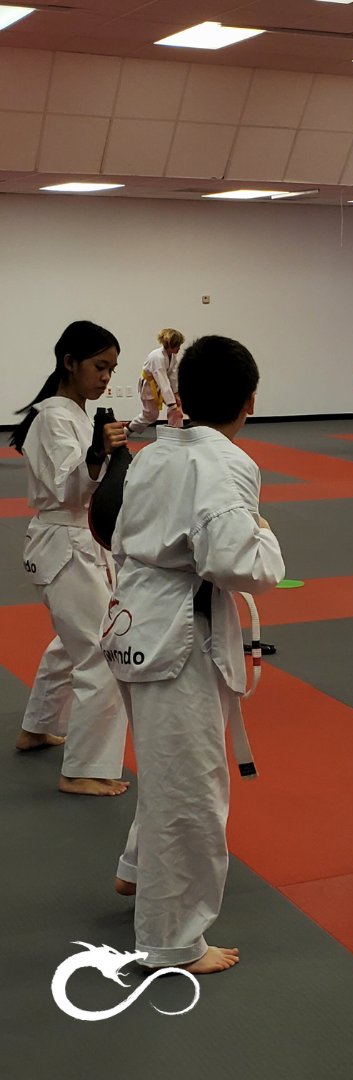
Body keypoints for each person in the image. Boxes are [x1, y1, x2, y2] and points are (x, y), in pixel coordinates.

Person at [106, 335, 284, 974]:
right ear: (250, 402)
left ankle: (135, 869)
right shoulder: (229, 461)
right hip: (179, 629)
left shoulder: (154, 452)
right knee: (191, 782)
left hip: (133, 618)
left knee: (164, 758)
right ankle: (171, 939)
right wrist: (265, 538)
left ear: (180, 397)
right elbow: (235, 560)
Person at [10, 321, 131, 796]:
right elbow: (67, 484)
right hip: (64, 544)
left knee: (71, 643)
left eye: (112, 368)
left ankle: (37, 727)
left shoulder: (77, 415)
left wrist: (105, 449)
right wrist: (97, 454)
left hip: (80, 544)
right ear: (69, 362)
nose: (106, 376)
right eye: (100, 366)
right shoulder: (54, 418)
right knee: (104, 652)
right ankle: (83, 768)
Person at [126, 328, 184, 436]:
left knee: (176, 408)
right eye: (177, 345)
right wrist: (172, 404)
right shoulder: (157, 357)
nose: (179, 348)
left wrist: (176, 394)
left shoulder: (172, 356)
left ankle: (175, 433)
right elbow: (163, 381)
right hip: (148, 387)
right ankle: (127, 430)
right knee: (151, 415)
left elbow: (173, 376)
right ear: (169, 344)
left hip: (161, 385)